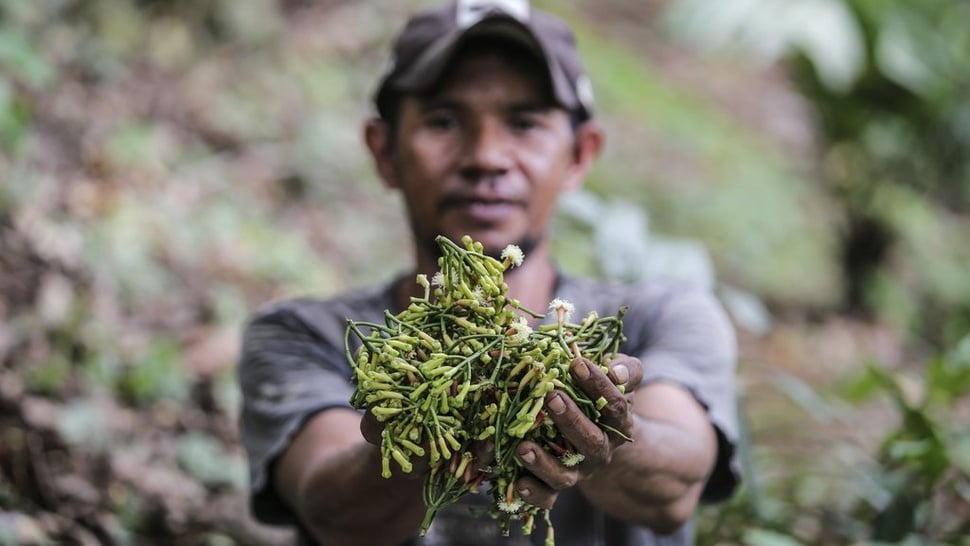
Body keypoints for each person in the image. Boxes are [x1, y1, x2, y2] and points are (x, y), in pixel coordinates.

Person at [237, 1, 740, 545]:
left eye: (524, 123)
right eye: (444, 121)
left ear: (579, 155)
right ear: (384, 151)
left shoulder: (661, 317)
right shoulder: (302, 334)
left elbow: (677, 484)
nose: (487, 156)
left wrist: (608, 431)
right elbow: (331, 510)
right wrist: (421, 420)